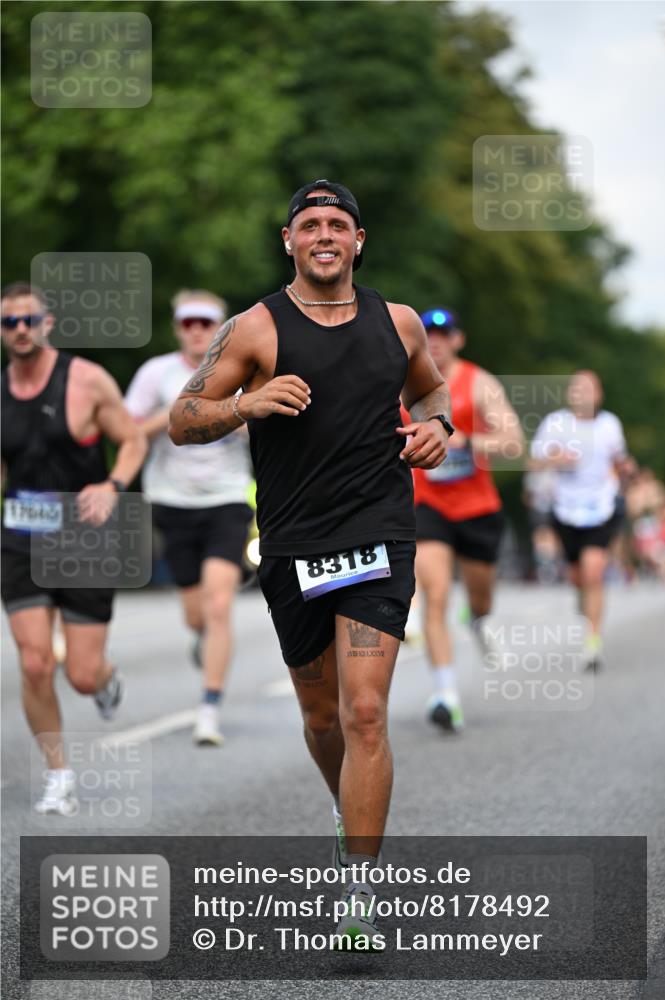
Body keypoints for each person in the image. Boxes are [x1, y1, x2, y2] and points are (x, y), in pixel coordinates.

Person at [168, 180, 451, 945]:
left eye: (337, 223)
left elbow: (430, 394)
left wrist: (439, 428)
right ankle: (342, 806)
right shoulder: (255, 328)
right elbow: (181, 419)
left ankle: (359, 893)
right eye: (309, 224)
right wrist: (243, 405)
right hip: (294, 544)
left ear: (358, 240)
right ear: (288, 240)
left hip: (379, 533)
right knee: (322, 716)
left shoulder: (397, 323)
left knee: (365, 711)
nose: (323, 234)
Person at [1, 282, 147, 814]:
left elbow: (132, 439)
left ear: (48, 323)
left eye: (29, 320)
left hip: (84, 533)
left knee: (81, 675)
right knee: (36, 662)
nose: (20, 330)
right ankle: (58, 774)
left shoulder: (86, 379)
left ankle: (105, 678)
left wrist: (112, 485)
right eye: (9, 322)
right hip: (21, 533)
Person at [125, 289, 254, 746]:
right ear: (178, 328)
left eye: (205, 323)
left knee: (219, 605)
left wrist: (233, 411)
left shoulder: (240, 372)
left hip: (227, 498)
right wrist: (177, 414)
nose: (197, 330)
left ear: (221, 329)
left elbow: (264, 426)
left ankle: (209, 708)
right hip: (172, 501)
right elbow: (126, 430)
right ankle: (203, 636)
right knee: (196, 614)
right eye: (188, 323)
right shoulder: (156, 373)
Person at [411, 308, 524, 732]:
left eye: (444, 334)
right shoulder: (404, 382)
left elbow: (514, 441)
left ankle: (477, 619)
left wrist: (467, 442)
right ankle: (446, 694)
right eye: (428, 334)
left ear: (458, 340)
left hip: (477, 508)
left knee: (480, 599)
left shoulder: (479, 382)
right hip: (428, 505)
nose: (435, 341)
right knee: (436, 593)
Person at [530, 370, 629, 671]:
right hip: (565, 509)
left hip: (600, 508)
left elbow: (619, 461)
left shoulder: (610, 425)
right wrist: (555, 459)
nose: (581, 393)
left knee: (593, 572)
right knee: (578, 577)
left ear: (599, 395)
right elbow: (532, 462)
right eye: (576, 388)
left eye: (588, 388)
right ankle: (583, 598)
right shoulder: (555, 424)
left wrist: (625, 473)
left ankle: (593, 643)